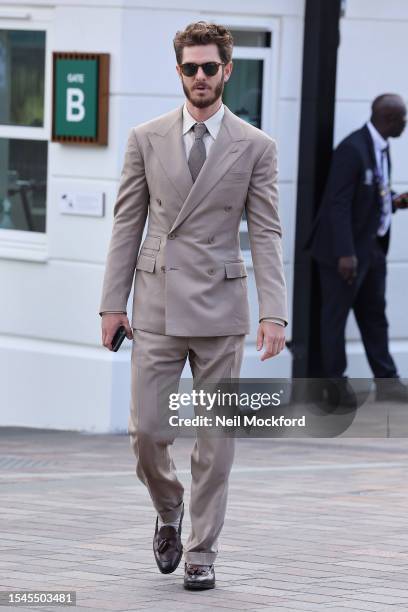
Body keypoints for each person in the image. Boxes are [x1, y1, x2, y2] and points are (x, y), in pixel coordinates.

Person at [99, 22, 287, 590]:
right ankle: (169, 509)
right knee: (147, 433)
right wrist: (112, 303)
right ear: (177, 70)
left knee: (215, 438)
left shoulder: (256, 146)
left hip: (221, 308)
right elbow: (127, 222)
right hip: (155, 303)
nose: (200, 77)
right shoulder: (145, 138)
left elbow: (267, 233)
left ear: (227, 70)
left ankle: (203, 549)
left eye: (210, 67)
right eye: (190, 68)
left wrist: (273, 312)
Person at [309, 93, 408, 405]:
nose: (406, 124)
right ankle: (335, 390)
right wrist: (344, 253)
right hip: (345, 254)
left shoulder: (381, 148)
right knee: (335, 318)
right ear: (389, 119)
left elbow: (370, 192)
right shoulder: (353, 150)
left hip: (372, 249)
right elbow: (336, 204)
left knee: (374, 316)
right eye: (403, 119)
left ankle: (387, 383)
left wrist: (393, 201)